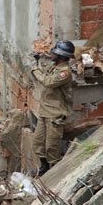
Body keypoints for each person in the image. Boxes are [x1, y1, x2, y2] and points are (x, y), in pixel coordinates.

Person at [31, 40, 74, 176]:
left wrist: (34, 69)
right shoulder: (54, 66)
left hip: (55, 114)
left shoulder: (64, 72)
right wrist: (39, 60)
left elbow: (48, 82)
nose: (52, 54)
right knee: (38, 143)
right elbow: (46, 72)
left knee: (52, 147)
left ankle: (54, 173)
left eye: (54, 52)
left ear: (61, 56)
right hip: (44, 111)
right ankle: (44, 167)